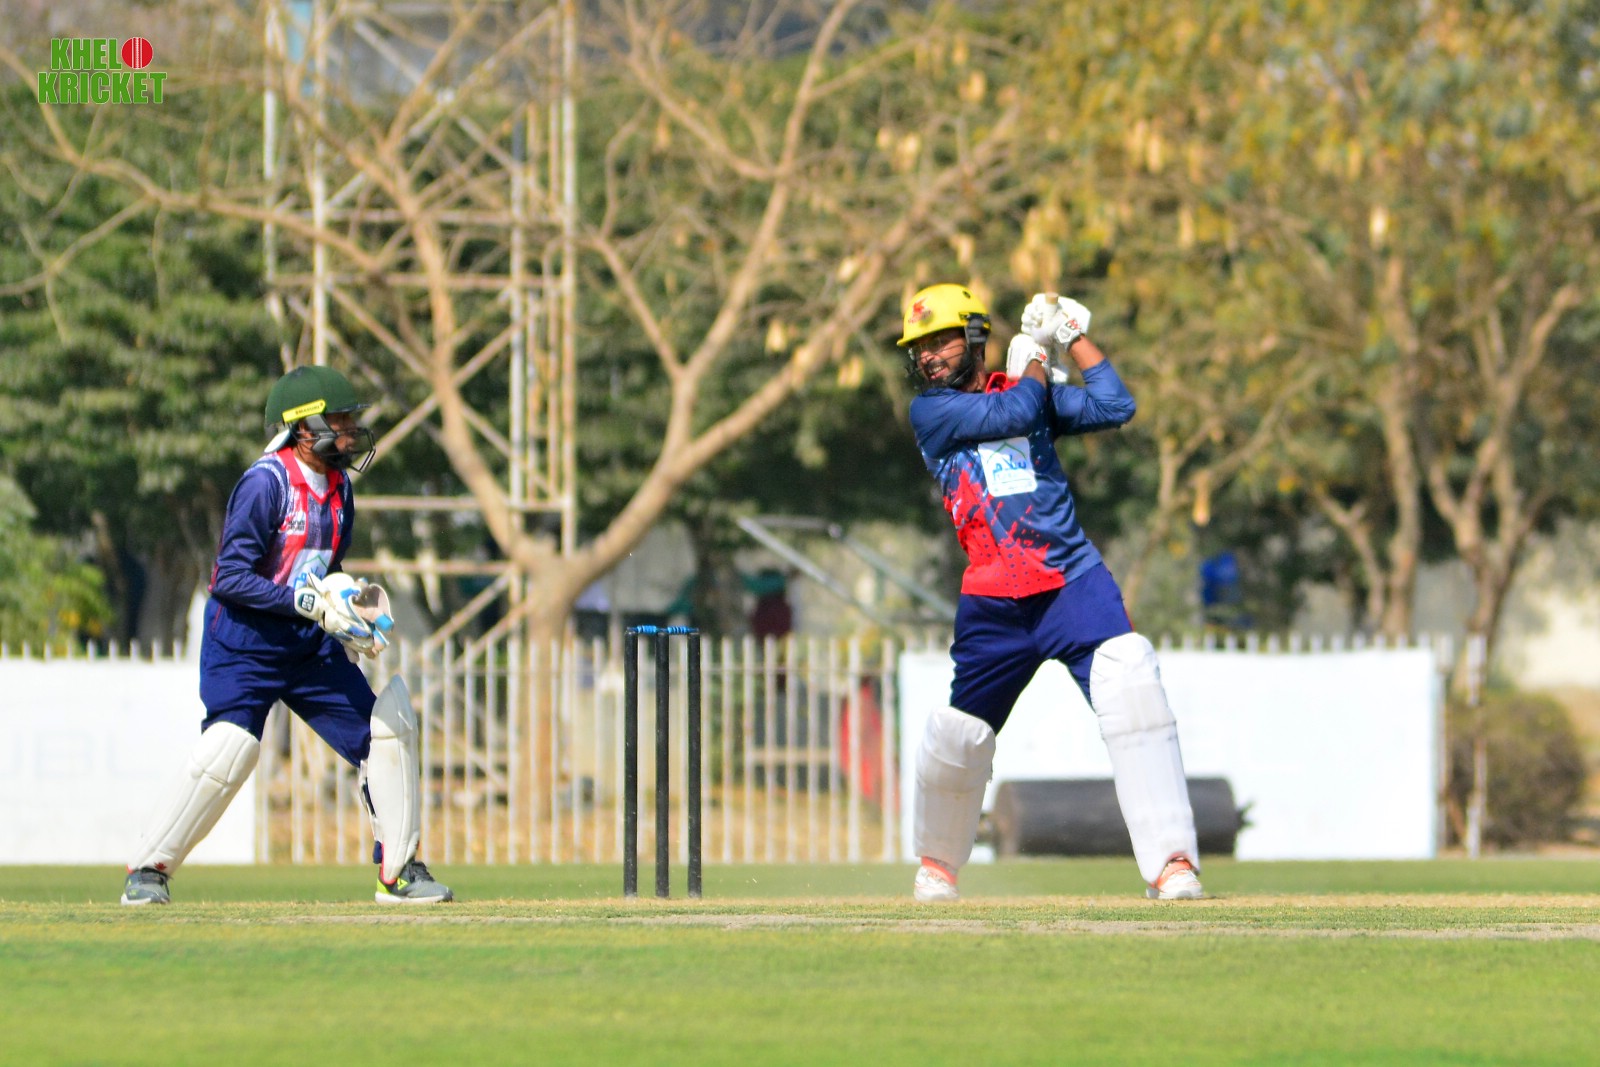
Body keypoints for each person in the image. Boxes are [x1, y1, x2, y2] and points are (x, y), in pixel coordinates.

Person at [897, 283, 1203, 902]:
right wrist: (1036, 359)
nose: (928, 356)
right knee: (959, 737)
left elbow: (1115, 404)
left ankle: (1172, 865)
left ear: (975, 337)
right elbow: (1012, 415)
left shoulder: (1027, 392)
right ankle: (938, 867)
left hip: (1071, 584)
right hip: (994, 599)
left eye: (941, 341)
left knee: (1132, 686)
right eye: (919, 347)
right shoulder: (933, 412)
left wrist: (1069, 335)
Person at [120, 366, 452, 906]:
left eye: (349, 420)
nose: (349, 431)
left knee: (385, 732)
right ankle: (147, 872)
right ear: (303, 426)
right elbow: (229, 577)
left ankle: (399, 873)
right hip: (244, 644)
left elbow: (325, 568)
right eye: (338, 420)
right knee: (230, 749)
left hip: (306, 645)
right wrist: (305, 603)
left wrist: (349, 608)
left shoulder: (340, 488)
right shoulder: (265, 483)